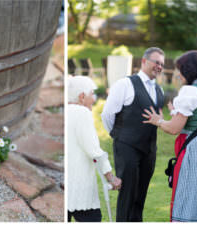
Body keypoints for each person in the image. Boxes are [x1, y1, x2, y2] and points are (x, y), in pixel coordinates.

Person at [142, 50, 197, 222]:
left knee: (191, 195)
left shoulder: (190, 91)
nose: (178, 74)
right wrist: (176, 111)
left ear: (188, 70)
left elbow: (174, 128)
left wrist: (158, 121)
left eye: (180, 69)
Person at [101, 47, 165, 222]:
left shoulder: (159, 90)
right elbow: (107, 114)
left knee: (140, 195)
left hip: (149, 150)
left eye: (162, 64)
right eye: (156, 62)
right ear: (144, 61)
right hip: (127, 147)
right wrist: (119, 136)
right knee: (127, 194)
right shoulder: (125, 84)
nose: (159, 66)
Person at [68, 75, 122, 222]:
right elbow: (94, 151)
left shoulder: (66, 111)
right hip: (79, 186)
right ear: (81, 96)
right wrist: (110, 177)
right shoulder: (82, 113)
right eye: (92, 94)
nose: (94, 98)